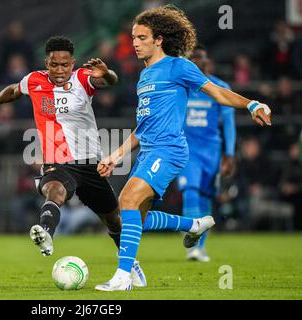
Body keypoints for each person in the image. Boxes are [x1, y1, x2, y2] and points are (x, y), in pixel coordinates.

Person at [95, 6, 272, 291]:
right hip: (148, 152)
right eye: (133, 38)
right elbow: (141, 128)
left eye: (141, 37)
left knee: (127, 200)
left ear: (159, 39)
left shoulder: (179, 66)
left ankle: (123, 277)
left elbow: (216, 92)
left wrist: (251, 103)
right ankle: (192, 225)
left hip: (169, 150)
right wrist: (115, 156)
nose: (135, 43)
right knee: (130, 217)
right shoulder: (145, 76)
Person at [0, 36, 147, 287]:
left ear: (72, 63)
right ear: (46, 63)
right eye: (54, 64)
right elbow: (14, 90)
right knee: (55, 190)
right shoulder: (34, 80)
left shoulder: (83, 78)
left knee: (113, 219)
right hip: (58, 162)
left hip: (90, 162)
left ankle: (129, 264)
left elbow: (109, 81)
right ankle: (46, 234)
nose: (59, 70)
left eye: (64, 65)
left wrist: (108, 73)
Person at [175, 45, 236, 262]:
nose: (197, 61)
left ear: (206, 60)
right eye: (192, 58)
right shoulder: (181, 87)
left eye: (200, 57)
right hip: (187, 150)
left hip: (211, 152)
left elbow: (228, 123)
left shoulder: (219, 87)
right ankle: (192, 246)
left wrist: (229, 154)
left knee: (205, 196)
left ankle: (200, 246)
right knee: (190, 191)